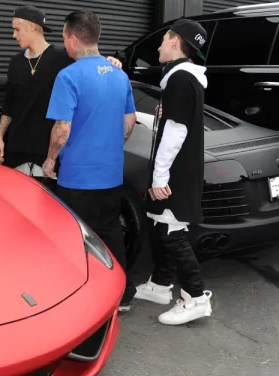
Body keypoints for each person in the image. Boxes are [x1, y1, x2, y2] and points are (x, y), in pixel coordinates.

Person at [41, 10, 137, 311]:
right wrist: (110, 146)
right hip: (111, 174)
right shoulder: (119, 75)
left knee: (76, 237)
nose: (64, 46)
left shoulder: (68, 75)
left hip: (77, 177)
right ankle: (123, 293)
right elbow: (129, 122)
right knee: (109, 230)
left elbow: (62, 129)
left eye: (63, 39)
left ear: (72, 38)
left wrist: (50, 159)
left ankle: (82, 299)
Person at [132, 19, 213, 326]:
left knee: (171, 232)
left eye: (163, 39)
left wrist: (159, 178)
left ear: (176, 42)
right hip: (177, 169)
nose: (158, 45)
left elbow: (177, 132)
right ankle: (160, 285)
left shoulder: (179, 80)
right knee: (161, 228)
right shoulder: (181, 79)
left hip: (175, 173)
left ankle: (195, 297)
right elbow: (174, 124)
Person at [0, 6, 122, 190]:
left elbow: (90, 63)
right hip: (15, 151)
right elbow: (8, 104)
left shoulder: (63, 57)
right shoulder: (15, 62)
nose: (14, 35)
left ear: (33, 27)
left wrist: (111, 61)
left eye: (17, 29)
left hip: (47, 154)